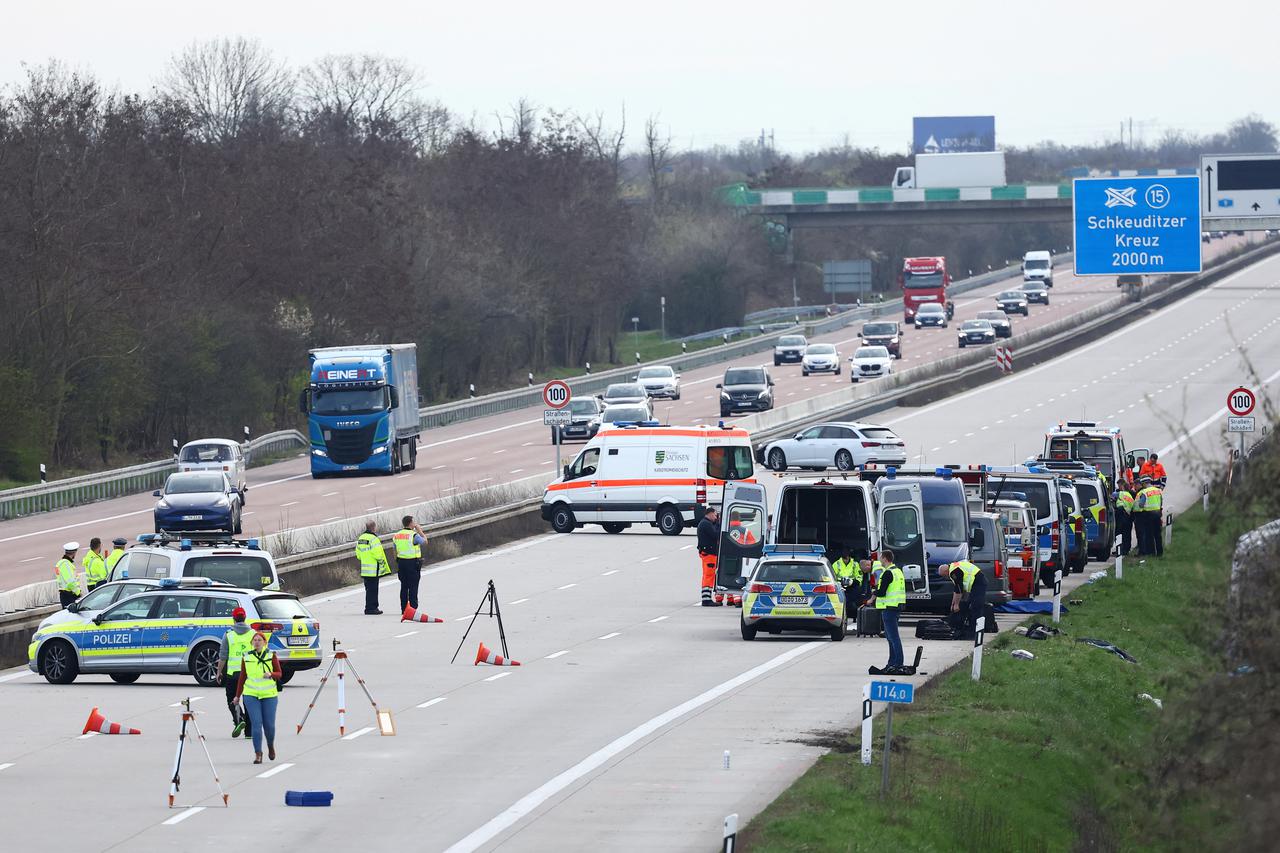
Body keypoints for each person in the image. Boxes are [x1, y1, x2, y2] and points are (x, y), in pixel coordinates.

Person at [234, 631, 281, 764]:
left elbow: (279, 673)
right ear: (251, 643)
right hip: (251, 694)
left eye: (260, 640)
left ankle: (270, 746)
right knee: (256, 723)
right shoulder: (247, 657)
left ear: (265, 642)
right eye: (255, 640)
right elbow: (242, 677)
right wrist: (237, 696)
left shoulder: (271, 655)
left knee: (269, 725)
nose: (257, 642)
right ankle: (258, 753)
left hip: (269, 695)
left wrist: (271, 674)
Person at [217, 607, 254, 740]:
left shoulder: (228, 634)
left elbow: (223, 656)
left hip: (233, 674)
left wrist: (219, 672)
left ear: (233, 618)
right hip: (250, 673)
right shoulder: (253, 634)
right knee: (249, 701)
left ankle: (239, 719)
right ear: (245, 618)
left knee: (232, 699)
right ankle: (249, 733)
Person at [868, 549, 905, 675]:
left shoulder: (888, 573)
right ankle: (892, 662)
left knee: (893, 637)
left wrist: (874, 592)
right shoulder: (898, 571)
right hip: (896, 607)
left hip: (889, 608)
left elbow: (882, 592)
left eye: (880, 558)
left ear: (885, 558)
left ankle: (897, 663)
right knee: (891, 637)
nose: (879, 560)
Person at [392, 515, 428, 613]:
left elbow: (394, 550)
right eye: (413, 522)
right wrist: (420, 531)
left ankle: (404, 609)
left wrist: (397, 561)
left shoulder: (397, 535)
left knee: (404, 586)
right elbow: (425, 542)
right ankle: (413, 608)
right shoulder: (414, 535)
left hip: (401, 563)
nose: (415, 523)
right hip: (412, 563)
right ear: (410, 523)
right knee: (413, 586)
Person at [355, 520, 391, 615]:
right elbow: (378, 553)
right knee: (373, 589)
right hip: (373, 568)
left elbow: (358, 554)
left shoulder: (361, 538)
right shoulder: (373, 539)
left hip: (365, 569)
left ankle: (368, 607)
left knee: (368, 589)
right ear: (374, 528)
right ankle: (372, 608)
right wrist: (382, 562)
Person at [948, 559, 987, 638]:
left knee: (976, 606)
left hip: (978, 583)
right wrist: (953, 603)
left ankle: (974, 633)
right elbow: (957, 589)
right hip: (975, 583)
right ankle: (966, 630)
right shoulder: (954, 567)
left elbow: (959, 589)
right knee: (966, 605)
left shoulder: (953, 572)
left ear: (945, 572)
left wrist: (956, 605)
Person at [696, 506, 721, 606]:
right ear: (710, 514)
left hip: (708, 553)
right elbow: (715, 535)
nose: (716, 517)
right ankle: (706, 599)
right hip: (709, 554)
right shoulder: (706, 524)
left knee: (708, 575)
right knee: (709, 576)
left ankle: (707, 598)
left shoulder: (706, 523)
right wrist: (719, 525)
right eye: (715, 515)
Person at [1135, 477, 1164, 557]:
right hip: (1158, 514)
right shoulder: (1158, 490)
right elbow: (1161, 501)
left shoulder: (1144, 492)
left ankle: (1151, 552)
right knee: (1158, 534)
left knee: (1149, 535)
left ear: (1144, 483)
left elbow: (1141, 504)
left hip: (1148, 515)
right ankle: (1160, 552)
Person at [55, 542, 81, 608]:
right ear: (74, 553)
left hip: (65, 594)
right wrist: (78, 592)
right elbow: (70, 582)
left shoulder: (61, 563)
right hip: (68, 595)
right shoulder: (65, 564)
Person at [1114, 484, 1135, 556]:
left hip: (1120, 515)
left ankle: (1119, 550)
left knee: (1118, 533)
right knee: (1127, 534)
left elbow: (1113, 496)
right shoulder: (1130, 497)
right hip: (1128, 517)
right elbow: (1133, 508)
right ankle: (1126, 550)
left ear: (1123, 488)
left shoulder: (1120, 493)